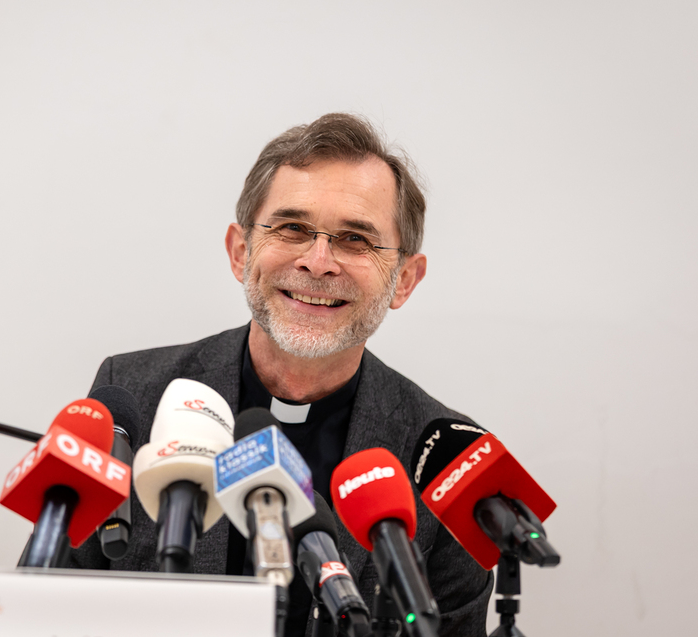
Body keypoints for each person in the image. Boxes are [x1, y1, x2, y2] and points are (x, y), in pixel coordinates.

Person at [73, 113, 493, 636]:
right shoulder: (133, 394)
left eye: (355, 239)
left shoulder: (447, 460)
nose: (318, 262)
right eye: (292, 228)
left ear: (404, 280)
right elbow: (47, 601)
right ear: (240, 252)